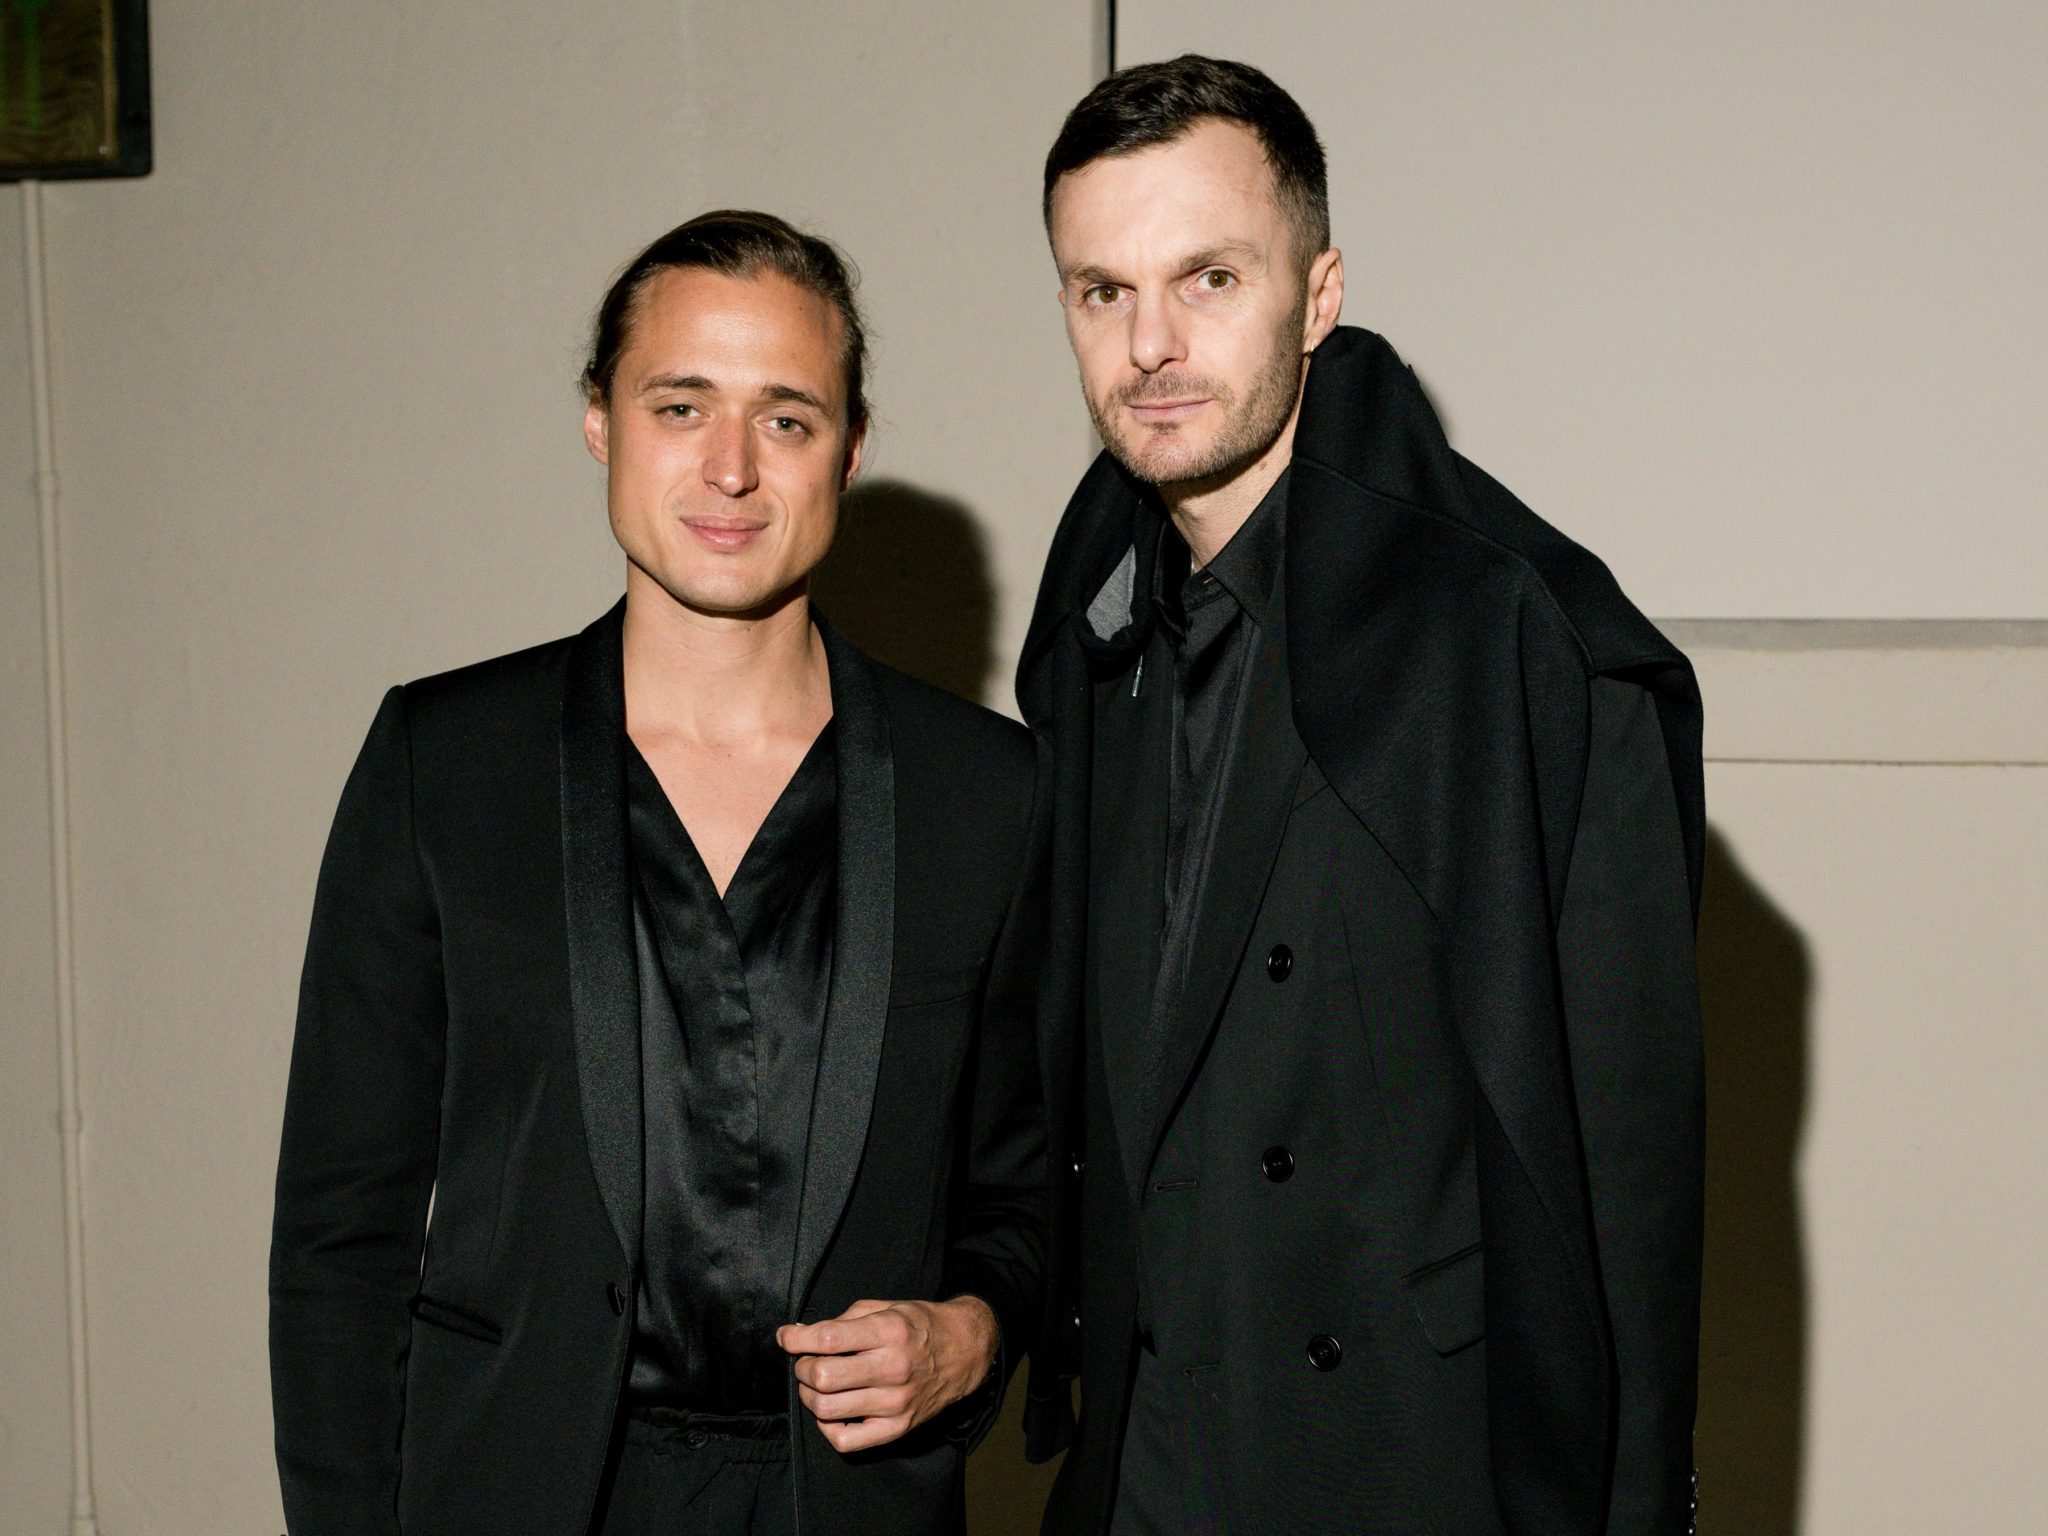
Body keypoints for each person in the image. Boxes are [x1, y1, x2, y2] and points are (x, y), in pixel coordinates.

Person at [270, 210, 1048, 1536]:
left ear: (850, 450)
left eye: (786, 418)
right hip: (515, 1496)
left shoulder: (986, 792)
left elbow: (1034, 1191)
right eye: (681, 406)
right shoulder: (443, 765)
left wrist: (974, 1333)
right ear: (601, 422)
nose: (730, 468)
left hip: (842, 1506)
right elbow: (341, 1234)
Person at [1015, 56, 1706, 1536]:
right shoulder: (1090, 617)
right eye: (1102, 291)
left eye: (1209, 278)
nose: (1151, 343)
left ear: (1319, 294)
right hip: (1151, 1454)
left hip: (1403, 1457)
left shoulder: (1517, 635)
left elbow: (1627, 1174)